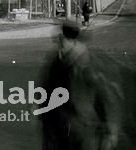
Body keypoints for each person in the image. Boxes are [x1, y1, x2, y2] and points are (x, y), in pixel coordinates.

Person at [38, 20, 119, 150]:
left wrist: (110, 128)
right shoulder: (57, 60)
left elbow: (104, 93)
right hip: (59, 126)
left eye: (62, 38)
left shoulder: (85, 63)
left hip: (83, 128)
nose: (59, 41)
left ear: (70, 39)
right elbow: (46, 87)